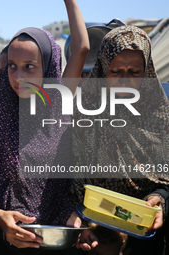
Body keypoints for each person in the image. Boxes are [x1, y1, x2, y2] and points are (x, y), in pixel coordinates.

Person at [0, 0, 89, 254]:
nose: (18, 77)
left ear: (48, 67)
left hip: (55, 241)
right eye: (12, 66)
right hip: (1, 242)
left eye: (29, 67)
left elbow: (82, 47)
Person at [72, 25, 169, 255]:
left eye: (134, 72)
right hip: (88, 239)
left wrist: (161, 198)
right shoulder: (81, 115)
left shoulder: (161, 118)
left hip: (144, 241)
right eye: (116, 71)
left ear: (146, 72)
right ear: (104, 69)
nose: (125, 80)